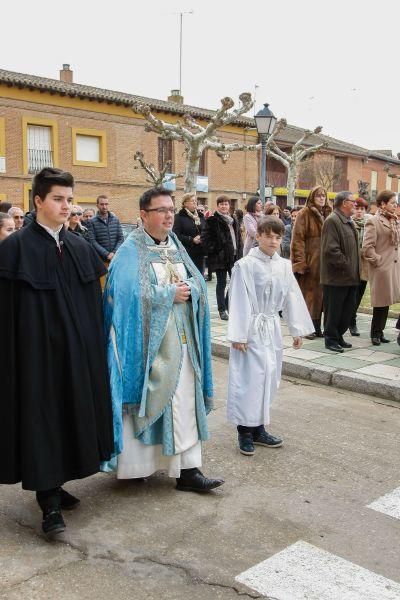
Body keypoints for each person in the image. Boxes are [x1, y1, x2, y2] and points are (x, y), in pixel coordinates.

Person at [0, 167, 114, 537]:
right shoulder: (14, 249)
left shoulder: (80, 247)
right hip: (35, 359)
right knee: (42, 419)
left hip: (77, 357)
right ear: (38, 201)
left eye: (69, 199)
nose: (67, 206)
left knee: (70, 415)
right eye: (58, 199)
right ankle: (47, 504)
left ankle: (58, 482)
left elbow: (94, 305)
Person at [102, 187, 224, 493]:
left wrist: (190, 291)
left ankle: (188, 471)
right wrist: (168, 294)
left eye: (171, 209)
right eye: (161, 210)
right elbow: (125, 295)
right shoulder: (131, 250)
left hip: (183, 343)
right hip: (147, 348)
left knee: (184, 402)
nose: (169, 215)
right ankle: (136, 468)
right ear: (144, 215)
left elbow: (196, 281)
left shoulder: (176, 247)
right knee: (146, 404)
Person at [227, 216, 314, 456]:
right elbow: (239, 299)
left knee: (269, 377)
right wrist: (239, 334)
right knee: (250, 379)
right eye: (269, 236)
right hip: (252, 327)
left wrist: (296, 329)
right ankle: (244, 430)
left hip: (271, 327)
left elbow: (291, 296)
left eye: (278, 237)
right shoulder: (245, 265)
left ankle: (259, 427)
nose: (274, 241)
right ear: (258, 236)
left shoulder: (283, 266)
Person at [320, 191, 360, 353]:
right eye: (353, 201)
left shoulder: (348, 221)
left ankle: (338, 335)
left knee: (347, 310)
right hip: (336, 278)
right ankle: (330, 339)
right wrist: (348, 265)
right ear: (344, 203)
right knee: (334, 310)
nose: (355, 205)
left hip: (349, 277)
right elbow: (331, 250)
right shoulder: (332, 221)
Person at [291, 186, 332, 339]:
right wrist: (300, 262)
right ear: (312, 197)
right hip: (310, 262)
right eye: (318, 196)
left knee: (321, 297)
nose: (322, 198)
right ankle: (307, 328)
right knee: (309, 296)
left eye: (324, 195)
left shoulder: (329, 213)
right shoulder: (304, 213)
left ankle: (317, 327)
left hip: (326, 263)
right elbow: (298, 240)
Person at [361, 190, 400, 345]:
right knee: (380, 302)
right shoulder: (374, 221)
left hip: (394, 267)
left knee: (387, 301)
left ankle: (381, 331)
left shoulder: (395, 220)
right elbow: (367, 247)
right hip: (382, 267)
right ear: (383, 203)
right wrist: (379, 261)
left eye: (396, 203)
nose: (395, 205)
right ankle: (375, 333)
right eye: (392, 203)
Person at [201, 195, 243, 320]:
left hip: (234, 256)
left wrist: (240, 252)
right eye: (221, 204)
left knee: (236, 283)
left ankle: (227, 304)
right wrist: (216, 250)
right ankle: (222, 309)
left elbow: (238, 238)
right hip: (221, 257)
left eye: (226, 204)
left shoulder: (233, 219)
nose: (224, 206)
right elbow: (205, 238)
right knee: (221, 283)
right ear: (218, 205)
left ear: (229, 206)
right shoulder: (213, 220)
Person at [349, 197, 369, 336]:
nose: (359, 212)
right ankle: (351, 321)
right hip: (351, 265)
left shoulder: (369, 224)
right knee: (351, 295)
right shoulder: (349, 223)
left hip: (364, 266)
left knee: (359, 295)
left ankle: (352, 319)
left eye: (362, 209)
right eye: (357, 208)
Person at [173, 193, 206, 274]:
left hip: (200, 252)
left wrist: (201, 236)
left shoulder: (200, 216)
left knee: (199, 275)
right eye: (192, 201)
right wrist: (191, 240)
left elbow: (206, 230)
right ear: (185, 203)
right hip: (186, 252)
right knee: (189, 276)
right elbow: (176, 234)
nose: (195, 202)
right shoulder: (179, 217)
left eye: (196, 201)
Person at [86, 195, 124, 263]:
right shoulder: (92, 221)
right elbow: (92, 241)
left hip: (115, 258)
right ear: (97, 205)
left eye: (106, 204)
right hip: (101, 260)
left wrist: (114, 252)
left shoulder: (116, 220)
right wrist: (106, 254)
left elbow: (121, 238)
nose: (104, 207)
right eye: (102, 204)